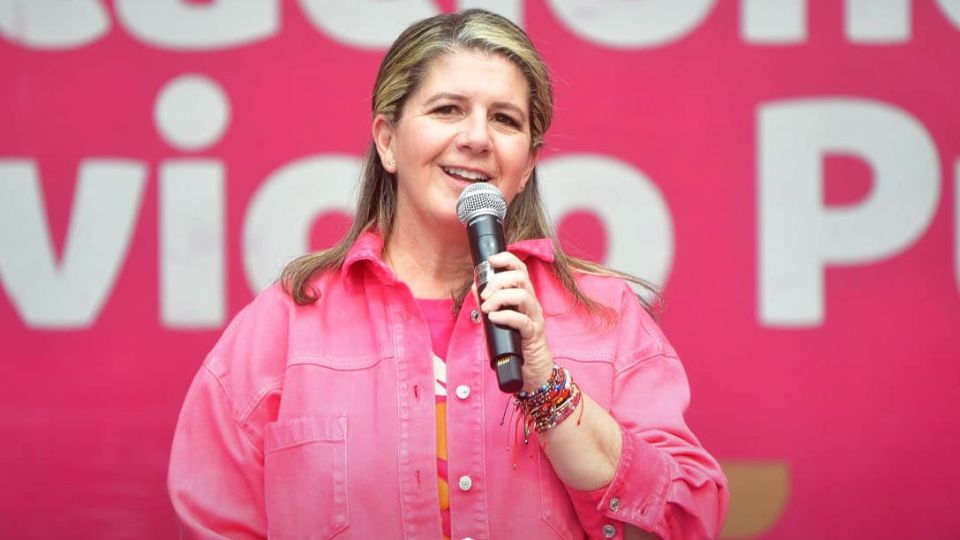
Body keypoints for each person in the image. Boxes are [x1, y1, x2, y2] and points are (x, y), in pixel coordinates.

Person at [168, 9, 728, 540]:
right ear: (388, 141)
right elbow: (215, 521)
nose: (477, 138)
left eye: (504, 119)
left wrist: (549, 389)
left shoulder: (603, 316)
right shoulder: (286, 324)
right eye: (448, 110)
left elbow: (682, 523)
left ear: (528, 164)